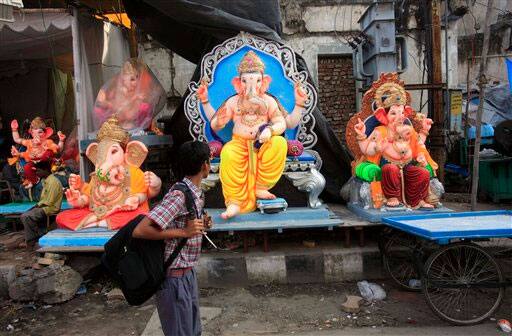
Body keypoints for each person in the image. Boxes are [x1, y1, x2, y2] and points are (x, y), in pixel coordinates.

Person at [132, 140, 211, 336]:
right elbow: (141, 230)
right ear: (204, 165)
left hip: (187, 273)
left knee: (192, 330)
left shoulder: (195, 193)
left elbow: (183, 224)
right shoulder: (179, 195)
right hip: (174, 277)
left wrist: (201, 224)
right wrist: (185, 232)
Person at [19, 162, 64, 248]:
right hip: (46, 206)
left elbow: (48, 202)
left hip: (50, 208)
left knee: (26, 216)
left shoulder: (53, 182)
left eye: (38, 171)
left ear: (46, 170)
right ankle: (35, 236)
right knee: (25, 215)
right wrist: (36, 206)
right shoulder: (47, 181)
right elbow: (44, 200)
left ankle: (31, 240)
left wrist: (36, 207)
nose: (37, 173)